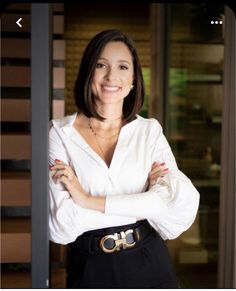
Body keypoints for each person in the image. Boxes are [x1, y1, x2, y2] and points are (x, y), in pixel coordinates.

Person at [49, 29, 200, 288]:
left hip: (150, 261)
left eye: (122, 66)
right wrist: (144, 202)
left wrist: (84, 199)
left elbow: (175, 209)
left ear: (132, 80)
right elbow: (61, 225)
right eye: (101, 65)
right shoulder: (59, 134)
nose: (111, 76)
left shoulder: (149, 131)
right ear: (89, 72)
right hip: (90, 267)